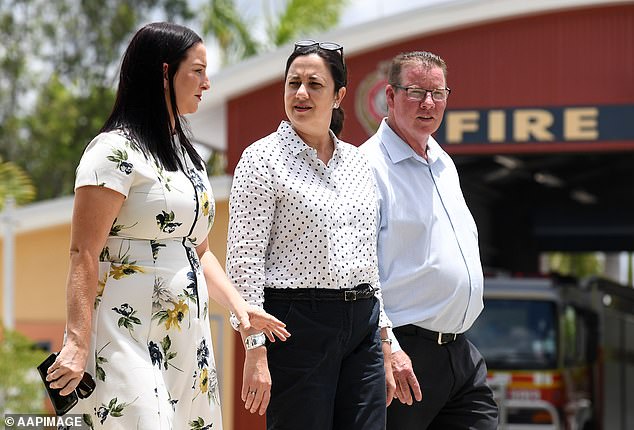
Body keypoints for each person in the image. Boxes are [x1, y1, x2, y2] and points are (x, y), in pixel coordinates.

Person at [44, 22, 289, 429]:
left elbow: (199, 250)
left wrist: (240, 309)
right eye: (197, 71)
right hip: (123, 332)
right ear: (163, 74)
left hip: (186, 336)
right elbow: (82, 252)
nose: (207, 83)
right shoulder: (112, 151)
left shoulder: (189, 158)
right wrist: (75, 340)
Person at [226, 40, 396, 430]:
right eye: (293, 82)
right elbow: (244, 263)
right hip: (295, 324)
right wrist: (254, 349)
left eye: (314, 84)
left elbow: (368, 260)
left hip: (362, 325)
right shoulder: (261, 159)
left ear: (338, 95)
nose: (300, 93)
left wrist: (386, 341)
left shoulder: (358, 163)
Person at [360, 51, 499, 429]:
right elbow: (357, 272)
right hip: (405, 354)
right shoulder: (366, 167)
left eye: (438, 93)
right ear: (389, 97)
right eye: (417, 92)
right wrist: (389, 347)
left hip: (460, 353)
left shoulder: (443, 161)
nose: (429, 103)